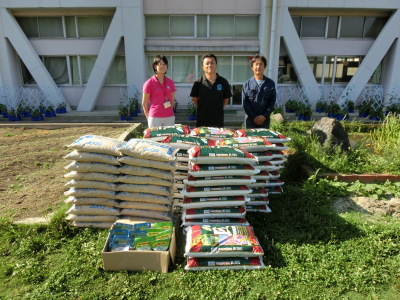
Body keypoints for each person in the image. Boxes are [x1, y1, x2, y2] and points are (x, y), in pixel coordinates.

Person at [190, 53, 232, 128]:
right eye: (207, 63)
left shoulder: (223, 82)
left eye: (212, 63)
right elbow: (194, 99)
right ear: (203, 67)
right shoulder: (198, 83)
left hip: (218, 120)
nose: (210, 65)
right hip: (202, 121)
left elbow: (226, 100)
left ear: (216, 65)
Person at [242, 54, 276, 129]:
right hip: (250, 121)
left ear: (265, 67)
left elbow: (272, 102)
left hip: (264, 120)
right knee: (250, 140)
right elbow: (245, 104)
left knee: (264, 140)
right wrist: (254, 117)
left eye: (261, 64)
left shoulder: (270, 83)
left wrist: (264, 116)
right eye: (256, 64)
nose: (258, 67)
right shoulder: (247, 84)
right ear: (252, 67)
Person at [142, 55, 176, 128]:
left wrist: (169, 110)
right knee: (155, 139)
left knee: (169, 138)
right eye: (160, 64)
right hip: (155, 118)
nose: (163, 66)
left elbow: (172, 99)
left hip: (169, 117)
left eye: (165, 64)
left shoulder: (170, 82)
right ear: (155, 66)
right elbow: (144, 103)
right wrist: (148, 117)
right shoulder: (149, 83)